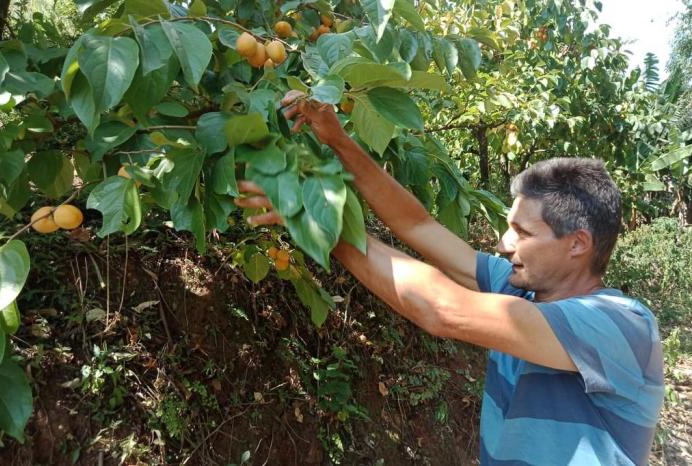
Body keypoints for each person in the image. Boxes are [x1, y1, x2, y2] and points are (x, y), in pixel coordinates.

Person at [234, 91, 665, 466]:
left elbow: (441, 309)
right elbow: (418, 226)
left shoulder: (620, 325)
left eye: (523, 233)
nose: (503, 244)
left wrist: (314, 221)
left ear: (577, 244)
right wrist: (339, 140)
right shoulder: (519, 289)